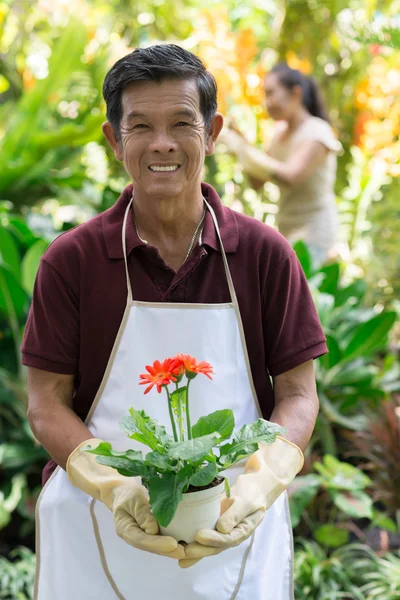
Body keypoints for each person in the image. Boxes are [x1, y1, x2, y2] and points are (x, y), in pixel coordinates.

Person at [22, 44, 327, 600]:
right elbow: (46, 403)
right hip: (95, 531)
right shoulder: (72, 261)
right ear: (115, 140)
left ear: (211, 133)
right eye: (140, 126)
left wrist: (261, 484)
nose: (162, 143)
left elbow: (299, 394)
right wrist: (116, 491)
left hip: (237, 531)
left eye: (182, 123)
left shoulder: (265, 254)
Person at [220, 62, 342, 267]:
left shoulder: (317, 132)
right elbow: (258, 181)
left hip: (315, 234)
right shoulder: (278, 135)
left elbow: (290, 177)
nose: (267, 102)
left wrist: (246, 150)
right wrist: (240, 148)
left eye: (271, 93)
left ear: (295, 93)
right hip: (287, 230)